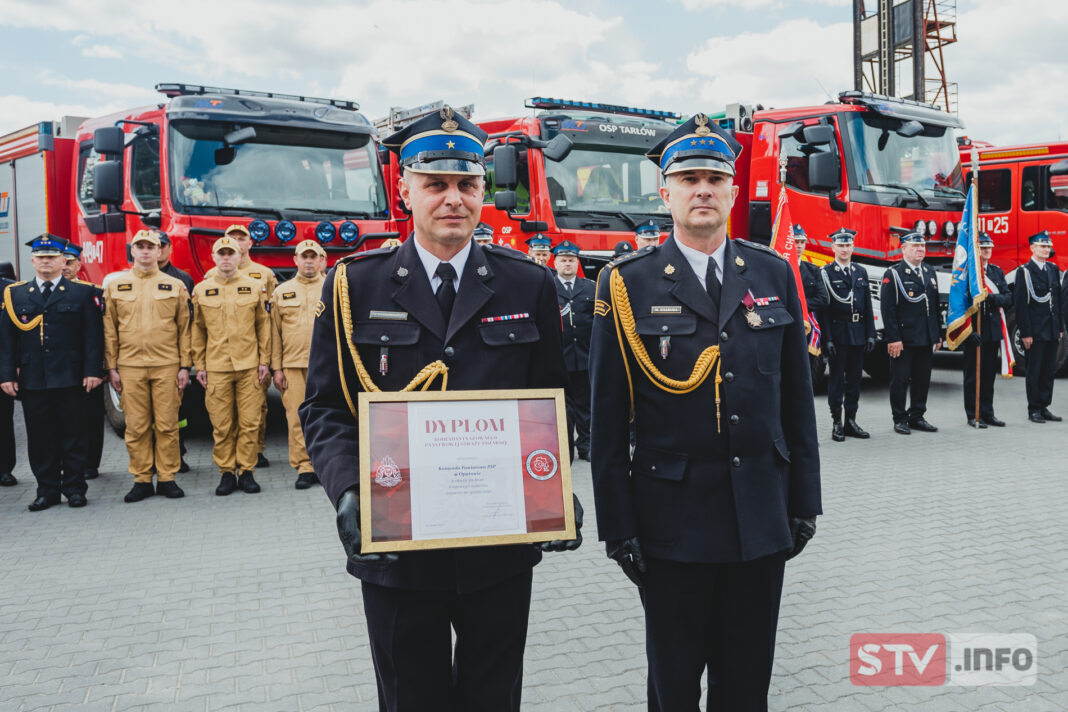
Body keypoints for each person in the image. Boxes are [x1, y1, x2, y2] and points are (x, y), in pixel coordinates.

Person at [299, 107, 583, 712]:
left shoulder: (524, 285)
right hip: (398, 550)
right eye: (436, 184)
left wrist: (555, 487)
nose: (453, 198)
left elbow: (550, 400)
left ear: (483, 192)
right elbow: (324, 407)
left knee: (494, 697)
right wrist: (350, 491)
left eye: (467, 184)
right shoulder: (355, 285)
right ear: (405, 190)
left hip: (498, 552)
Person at [589, 113, 821, 710]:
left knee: (747, 686)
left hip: (759, 520)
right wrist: (618, 529)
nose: (702, 190)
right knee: (673, 685)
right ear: (664, 191)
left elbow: (796, 401)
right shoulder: (626, 283)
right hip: (671, 526)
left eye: (715, 179)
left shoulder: (770, 272)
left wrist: (805, 503)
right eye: (687, 178)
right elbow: (606, 424)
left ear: (734, 192)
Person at [0, 234, 104, 510]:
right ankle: (46, 490)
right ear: (33, 261)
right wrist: (7, 375)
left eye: (52, 257)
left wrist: (93, 371)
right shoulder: (15, 294)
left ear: (63, 261)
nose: (46, 262)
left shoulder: (82, 293)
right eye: (41, 257)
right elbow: (8, 341)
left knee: (73, 436)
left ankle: (74, 488)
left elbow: (93, 338)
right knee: (40, 438)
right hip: (34, 380)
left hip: (71, 378)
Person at [103, 230, 192, 502]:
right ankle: (141, 479)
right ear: (132, 251)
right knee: (136, 427)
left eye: (150, 247)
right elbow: (110, 330)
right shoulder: (116, 286)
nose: (144, 251)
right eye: (139, 246)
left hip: (166, 365)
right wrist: (112, 368)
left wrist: (184, 366)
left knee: (167, 425)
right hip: (130, 367)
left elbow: (184, 329)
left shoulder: (174, 285)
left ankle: (167, 478)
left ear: (160, 251)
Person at [192, 236, 271, 495]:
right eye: (221, 253)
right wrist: (199, 365)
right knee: (222, 424)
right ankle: (226, 472)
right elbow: (198, 330)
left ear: (240, 256)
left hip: (249, 366)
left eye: (231, 253)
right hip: (216, 367)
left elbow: (263, 326)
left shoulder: (254, 286)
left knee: (250, 422)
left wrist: (264, 361)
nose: (226, 258)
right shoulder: (201, 290)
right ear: (214, 257)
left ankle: (247, 471)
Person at [206, 224, 278, 468]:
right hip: (220, 362)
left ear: (246, 245)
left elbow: (267, 319)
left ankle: (254, 452)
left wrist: (265, 359)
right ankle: (229, 467)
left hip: (250, 360)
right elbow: (198, 327)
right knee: (224, 419)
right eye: (229, 240)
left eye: (241, 238)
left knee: (256, 411)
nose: (234, 244)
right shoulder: (206, 282)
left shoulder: (263, 275)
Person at [270, 239, 326, 490]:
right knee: (296, 418)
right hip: (293, 365)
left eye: (314, 257)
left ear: (323, 261)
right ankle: (304, 466)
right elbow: (274, 333)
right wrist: (277, 368)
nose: (309, 261)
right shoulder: (282, 292)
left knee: (327, 417)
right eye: (304, 256)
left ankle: (326, 465)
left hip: (327, 365)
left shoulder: (333, 287)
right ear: (295, 260)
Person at [880, 232, 941, 435]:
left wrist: (937, 334)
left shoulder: (930, 271)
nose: (920, 249)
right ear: (903, 248)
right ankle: (899, 418)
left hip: (925, 337)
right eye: (915, 245)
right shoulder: (894, 273)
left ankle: (917, 415)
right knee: (900, 379)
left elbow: (933, 306)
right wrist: (893, 338)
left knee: (922, 378)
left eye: (922, 246)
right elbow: (888, 310)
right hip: (904, 339)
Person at [820, 228, 875, 441]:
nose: (845, 249)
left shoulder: (860, 272)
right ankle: (836, 422)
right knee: (836, 380)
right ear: (833, 247)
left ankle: (851, 420)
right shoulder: (826, 272)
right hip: (838, 333)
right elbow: (824, 309)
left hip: (858, 333)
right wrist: (828, 339)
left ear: (853, 247)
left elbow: (867, 306)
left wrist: (871, 333)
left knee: (854, 379)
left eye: (848, 245)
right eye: (841, 245)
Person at [61, 239, 106, 480]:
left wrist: (104, 366)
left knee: (91, 417)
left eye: (70, 262)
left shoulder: (95, 293)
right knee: (64, 418)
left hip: (89, 365)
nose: (65, 267)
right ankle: (65, 461)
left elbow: (105, 333)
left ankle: (91, 463)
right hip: (61, 366)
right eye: (63, 262)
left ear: (79, 264)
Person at [963, 232, 1012, 427]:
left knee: (989, 376)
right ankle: (972, 414)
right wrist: (968, 332)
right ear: (977, 250)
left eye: (990, 247)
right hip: (975, 332)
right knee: (972, 376)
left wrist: (991, 298)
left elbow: (1008, 298)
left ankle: (987, 412)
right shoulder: (969, 275)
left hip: (992, 331)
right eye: (983, 248)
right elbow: (961, 306)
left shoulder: (996, 272)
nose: (987, 251)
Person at [155, 231, 193, 473]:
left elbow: (187, 323)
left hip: (172, 359)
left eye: (161, 246)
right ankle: (154, 459)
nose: (157, 251)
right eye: (151, 246)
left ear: (169, 249)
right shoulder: (128, 280)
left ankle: (178, 453)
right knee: (146, 418)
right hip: (143, 360)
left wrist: (185, 364)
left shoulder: (182, 279)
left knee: (177, 414)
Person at [554, 239, 595, 461]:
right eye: (563, 260)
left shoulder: (590, 287)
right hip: (561, 357)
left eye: (571, 260)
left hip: (585, 355)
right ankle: (565, 448)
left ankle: (586, 447)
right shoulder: (549, 287)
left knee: (586, 407)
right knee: (563, 408)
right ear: (555, 262)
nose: (567, 264)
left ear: (577, 263)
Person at [1016, 231, 1062, 422]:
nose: (1046, 249)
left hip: (1051, 329)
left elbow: (1057, 300)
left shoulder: (1052, 269)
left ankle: (1044, 405)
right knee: (1034, 370)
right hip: (1035, 331)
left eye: (1048, 246)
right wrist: (1026, 333)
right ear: (1032, 248)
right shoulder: (1024, 272)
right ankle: (1033, 408)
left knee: (1048, 369)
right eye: (1042, 246)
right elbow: (1020, 305)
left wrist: (1060, 327)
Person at [0, 262, 17, 488]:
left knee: (3, 421)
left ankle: (4, 469)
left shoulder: (10, 291)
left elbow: (15, 334)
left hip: (1, 369)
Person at [792, 225, 828, 312]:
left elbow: (823, 298)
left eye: (802, 242)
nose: (799, 246)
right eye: (796, 242)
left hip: (806, 319)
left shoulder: (813, 270)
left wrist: (798, 305)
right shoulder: (780, 268)